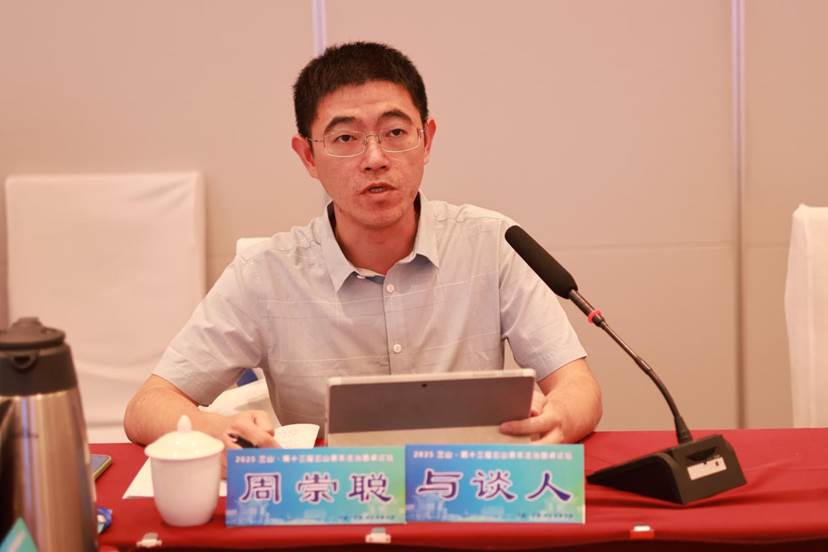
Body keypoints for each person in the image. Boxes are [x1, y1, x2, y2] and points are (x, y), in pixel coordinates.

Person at [124, 41, 602, 451]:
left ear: (426, 140)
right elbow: (148, 406)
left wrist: (559, 414)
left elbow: (577, 385)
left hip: (466, 493)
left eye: (395, 133)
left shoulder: (493, 244)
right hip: (332, 504)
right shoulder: (264, 274)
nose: (375, 159)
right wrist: (212, 427)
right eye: (346, 137)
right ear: (308, 156)